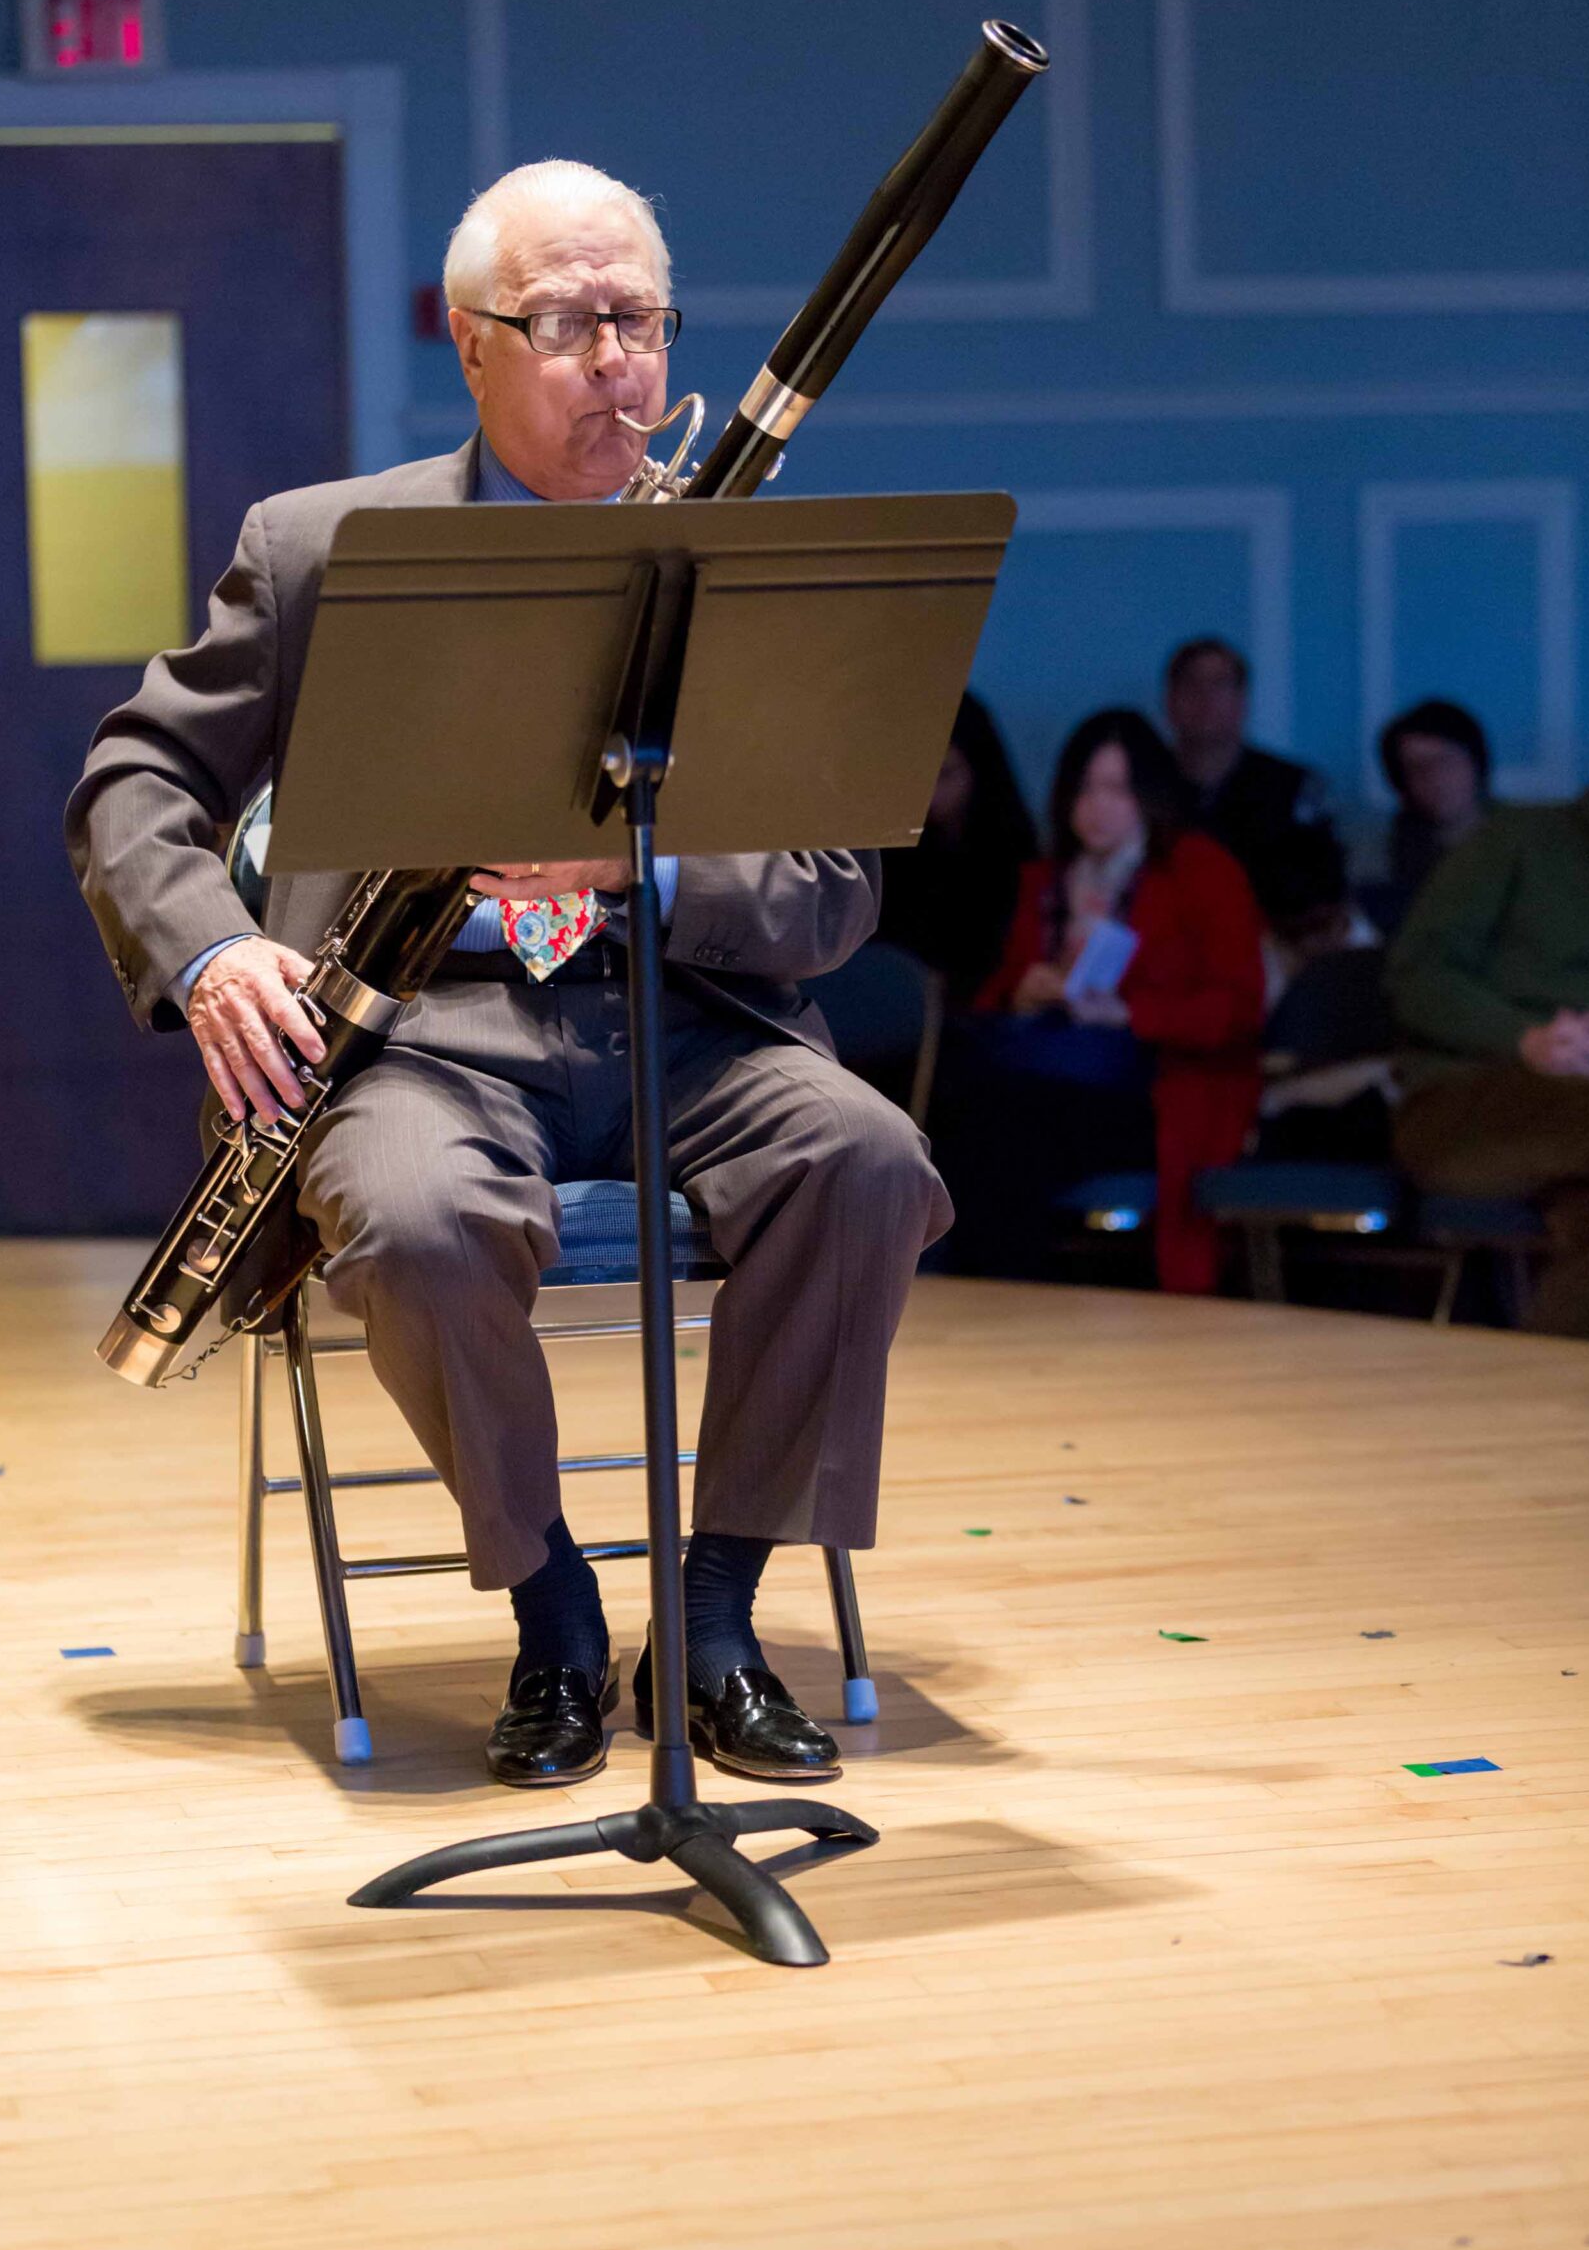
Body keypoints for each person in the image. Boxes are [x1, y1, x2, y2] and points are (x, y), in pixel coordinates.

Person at [67, 157, 951, 1790]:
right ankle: (551, 1605)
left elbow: (831, 894)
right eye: (567, 321)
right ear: (471, 345)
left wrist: (644, 866)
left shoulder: (734, 558)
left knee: (870, 1160)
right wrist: (211, 953)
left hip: (692, 1024)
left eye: (639, 318)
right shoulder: (322, 547)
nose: (616, 357)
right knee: (407, 1221)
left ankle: (711, 1612)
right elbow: (134, 783)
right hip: (421, 1038)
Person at [934, 708, 1264, 1292]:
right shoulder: (1046, 880)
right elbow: (996, 994)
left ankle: (1003, 1302)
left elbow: (1238, 1006)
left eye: (1116, 788)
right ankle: (976, 1301)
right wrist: (1023, 992)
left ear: (1148, 793)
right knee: (968, 1118)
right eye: (1085, 788)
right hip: (1049, 1072)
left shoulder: (1199, 870)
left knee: (1000, 1134)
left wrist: (1130, 1014)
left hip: (1157, 1084)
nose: (1097, 805)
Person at [1386, 730, 1589, 1342]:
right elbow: (1414, 974)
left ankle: (1554, 1395)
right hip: (1470, 1098)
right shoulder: (1521, 839)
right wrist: (1523, 1037)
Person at [1164, 637, 1344, 930]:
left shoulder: (1292, 786)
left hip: (1279, 937)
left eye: (1220, 684)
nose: (1205, 697)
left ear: (1242, 700)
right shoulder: (1140, 786)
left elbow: (1323, 886)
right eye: (1191, 684)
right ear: (1170, 700)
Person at [876, 692, 1037, 1004]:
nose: (931, 794)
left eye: (946, 774)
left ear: (977, 768)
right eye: (919, 777)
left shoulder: (1010, 853)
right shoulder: (893, 852)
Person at [1378, 698, 1491, 919]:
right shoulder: (1381, 856)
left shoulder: (1523, 839)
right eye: (1417, 767)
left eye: (1446, 762)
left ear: (1476, 763)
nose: (1435, 777)